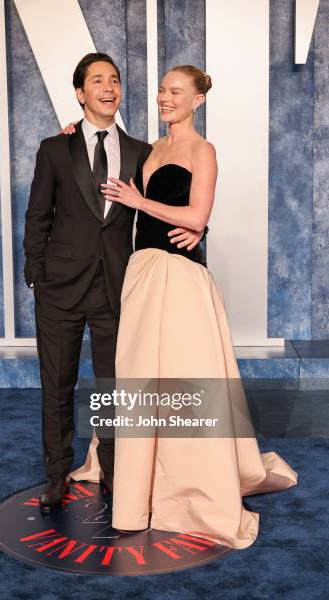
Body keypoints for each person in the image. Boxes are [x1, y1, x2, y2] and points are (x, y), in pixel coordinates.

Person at [68, 64, 298, 549]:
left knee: (182, 376)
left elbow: (197, 214)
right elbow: (102, 147)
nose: (164, 98)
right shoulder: (146, 149)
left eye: (175, 92)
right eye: (161, 91)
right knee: (138, 376)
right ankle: (137, 486)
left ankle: (187, 490)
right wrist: (72, 130)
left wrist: (145, 203)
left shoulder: (202, 150)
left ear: (198, 100)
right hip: (142, 272)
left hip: (182, 275)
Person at [23, 53, 203, 513]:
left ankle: (114, 473)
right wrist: (36, 273)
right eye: (97, 80)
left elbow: (174, 199)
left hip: (117, 288)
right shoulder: (54, 148)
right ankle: (56, 473)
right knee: (57, 386)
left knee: (114, 388)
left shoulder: (144, 151)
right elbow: (37, 215)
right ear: (81, 94)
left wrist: (199, 228)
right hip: (59, 289)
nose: (109, 87)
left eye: (115, 79)